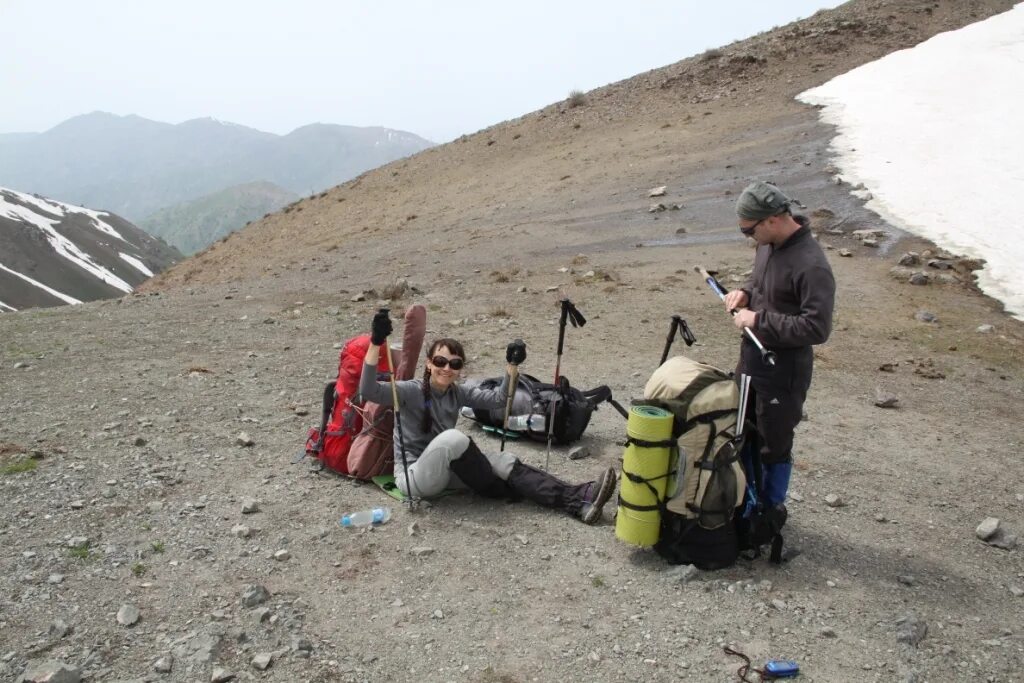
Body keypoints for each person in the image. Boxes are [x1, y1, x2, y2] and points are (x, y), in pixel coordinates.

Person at [359, 310, 617, 524]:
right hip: (414, 477)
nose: (447, 368)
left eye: (455, 364)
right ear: (428, 363)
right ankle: (495, 488)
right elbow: (368, 390)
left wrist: (512, 366)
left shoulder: (457, 393)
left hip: (446, 469)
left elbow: (498, 399)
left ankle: (578, 499)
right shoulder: (409, 391)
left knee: (504, 461)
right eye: (440, 361)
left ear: (460, 370)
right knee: (454, 438)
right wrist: (376, 341)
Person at [724, 181, 836, 511]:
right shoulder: (768, 244)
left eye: (748, 231)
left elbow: (817, 327)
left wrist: (758, 320)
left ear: (771, 220)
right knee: (741, 431)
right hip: (750, 364)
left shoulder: (811, 265)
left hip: (782, 374)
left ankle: (768, 514)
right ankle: (742, 503)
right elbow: (763, 281)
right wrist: (745, 291)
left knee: (774, 445)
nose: (748, 237)